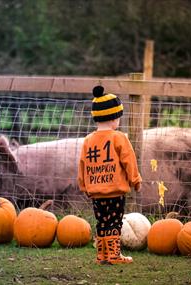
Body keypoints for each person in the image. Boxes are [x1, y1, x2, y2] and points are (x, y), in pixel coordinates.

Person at [78, 85, 142, 265]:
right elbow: (129, 161)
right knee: (115, 222)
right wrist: (135, 180)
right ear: (114, 118)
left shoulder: (88, 140)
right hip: (115, 191)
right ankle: (114, 255)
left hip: (96, 192)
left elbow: (83, 164)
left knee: (102, 222)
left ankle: (102, 255)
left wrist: (84, 186)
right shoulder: (119, 137)